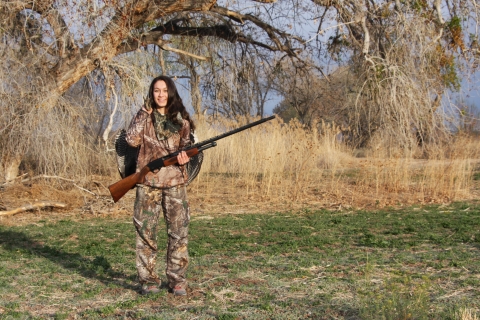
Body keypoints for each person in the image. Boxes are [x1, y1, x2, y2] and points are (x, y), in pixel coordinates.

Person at [125, 75, 195, 296]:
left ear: (171, 92)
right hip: (148, 184)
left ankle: (177, 281)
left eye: (165, 90)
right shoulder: (144, 118)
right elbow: (131, 140)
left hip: (175, 183)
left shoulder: (182, 121)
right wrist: (143, 111)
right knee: (146, 233)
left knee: (178, 233)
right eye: (156, 90)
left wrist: (185, 157)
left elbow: (188, 147)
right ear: (151, 93)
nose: (161, 95)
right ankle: (149, 280)